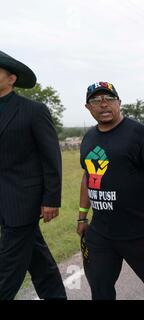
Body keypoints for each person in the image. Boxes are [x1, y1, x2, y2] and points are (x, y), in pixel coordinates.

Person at [77, 82, 144, 300]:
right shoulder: (89, 138)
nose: (103, 104)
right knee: (100, 290)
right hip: (100, 233)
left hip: (138, 232)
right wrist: (81, 217)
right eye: (96, 100)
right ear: (88, 107)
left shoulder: (138, 133)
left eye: (109, 99)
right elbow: (87, 177)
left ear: (119, 103)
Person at [0, 50, 66, 300]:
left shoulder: (33, 110)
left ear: (11, 79)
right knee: (39, 262)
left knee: (8, 266)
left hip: (23, 201)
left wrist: (51, 198)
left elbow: (51, 158)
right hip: (2, 201)